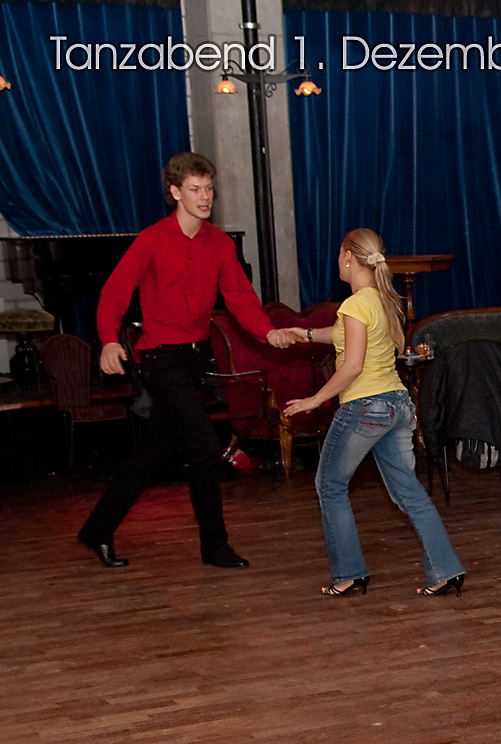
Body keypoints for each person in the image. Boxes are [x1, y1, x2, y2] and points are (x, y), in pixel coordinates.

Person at [78, 152, 278, 570]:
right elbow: (114, 293)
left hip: (194, 358)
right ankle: (215, 546)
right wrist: (109, 341)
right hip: (161, 358)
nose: (205, 197)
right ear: (175, 192)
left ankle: (97, 529)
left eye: (209, 189)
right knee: (204, 446)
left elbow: (241, 298)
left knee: (152, 454)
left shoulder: (219, 243)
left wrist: (268, 332)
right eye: (195, 189)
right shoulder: (152, 239)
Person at [272, 229, 464, 597]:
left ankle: (349, 574)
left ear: (347, 256)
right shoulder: (379, 300)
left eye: (338, 254)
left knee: (330, 485)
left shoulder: (355, 304)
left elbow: (353, 366)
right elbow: (343, 334)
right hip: (396, 405)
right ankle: (446, 571)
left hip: (365, 407)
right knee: (409, 492)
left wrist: (314, 400)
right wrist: (303, 334)